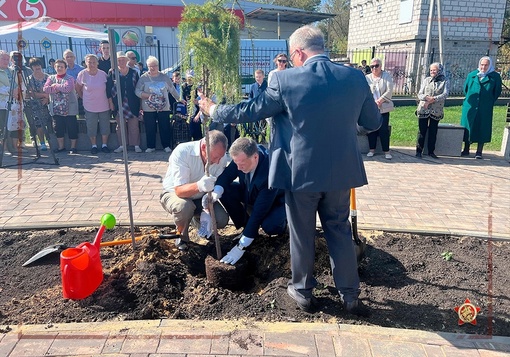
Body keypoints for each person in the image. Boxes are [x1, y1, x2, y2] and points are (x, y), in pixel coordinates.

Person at [199, 25, 381, 316]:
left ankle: (304, 293)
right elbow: (373, 123)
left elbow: (250, 110)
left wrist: (214, 110)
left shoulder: (285, 81)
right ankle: (350, 296)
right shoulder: (355, 78)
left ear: (298, 53)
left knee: (302, 233)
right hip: (340, 175)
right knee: (339, 230)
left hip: (301, 175)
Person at [208, 137, 286, 265]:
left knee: (270, 226)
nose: (238, 168)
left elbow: (258, 213)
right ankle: (245, 225)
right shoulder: (241, 157)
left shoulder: (270, 172)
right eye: (236, 163)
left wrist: (241, 247)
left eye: (242, 164)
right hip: (251, 193)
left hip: (276, 201)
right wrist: (217, 192)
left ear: (255, 157)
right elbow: (227, 175)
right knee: (226, 189)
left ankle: (285, 224)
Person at [160, 130, 230, 250]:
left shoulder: (220, 157)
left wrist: (209, 203)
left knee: (221, 219)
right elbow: (179, 190)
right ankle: (182, 236)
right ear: (204, 147)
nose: (218, 161)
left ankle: (199, 224)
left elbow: (216, 182)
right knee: (184, 207)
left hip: (200, 197)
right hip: (175, 195)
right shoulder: (183, 152)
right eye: (215, 157)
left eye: (221, 157)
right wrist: (199, 186)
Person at [135, 56, 181, 153]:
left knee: (164, 126)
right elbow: (137, 91)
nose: (152, 68)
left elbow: (172, 89)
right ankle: (150, 146)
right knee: (150, 127)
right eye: (150, 66)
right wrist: (147, 95)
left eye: (154, 66)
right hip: (148, 107)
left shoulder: (164, 77)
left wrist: (179, 99)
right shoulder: (143, 78)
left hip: (163, 107)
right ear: (147, 66)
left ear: (158, 66)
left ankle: (166, 146)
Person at [460, 56, 502, 159]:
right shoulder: (472, 75)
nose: (483, 67)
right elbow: (466, 89)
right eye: (482, 64)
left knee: (482, 127)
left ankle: (479, 151)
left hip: (484, 107)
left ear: (490, 65)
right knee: (468, 126)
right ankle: (466, 148)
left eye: (486, 65)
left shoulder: (495, 77)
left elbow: (497, 92)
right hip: (470, 105)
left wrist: (487, 101)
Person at [76, 54, 113, 154]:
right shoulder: (82, 74)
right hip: (89, 105)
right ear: (86, 63)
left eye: (93, 62)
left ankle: (104, 145)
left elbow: (109, 88)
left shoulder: (103, 74)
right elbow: (78, 88)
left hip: (103, 104)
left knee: (105, 126)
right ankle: (94, 145)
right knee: (91, 126)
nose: (92, 64)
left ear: (97, 63)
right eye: (89, 62)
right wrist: (83, 97)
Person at [108, 51, 142, 153]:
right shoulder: (112, 72)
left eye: (123, 59)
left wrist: (140, 104)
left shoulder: (134, 72)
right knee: (120, 126)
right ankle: (122, 145)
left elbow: (138, 88)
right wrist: (111, 103)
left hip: (132, 102)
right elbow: (108, 89)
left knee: (134, 125)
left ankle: (136, 145)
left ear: (127, 60)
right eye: (119, 60)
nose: (121, 61)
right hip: (118, 103)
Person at [43, 59, 79, 154]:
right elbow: (46, 89)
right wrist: (59, 88)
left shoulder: (70, 78)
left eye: (61, 67)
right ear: (54, 67)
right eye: (57, 66)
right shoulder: (51, 78)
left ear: (65, 68)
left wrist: (55, 86)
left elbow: (68, 88)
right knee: (58, 128)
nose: (59, 68)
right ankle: (61, 147)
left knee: (72, 128)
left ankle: (73, 147)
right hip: (56, 109)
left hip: (69, 109)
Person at [415, 62, 449, 159]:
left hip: (436, 110)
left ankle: (431, 151)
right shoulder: (426, 80)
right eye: (431, 70)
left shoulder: (445, 81)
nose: (432, 72)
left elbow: (445, 94)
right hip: (424, 108)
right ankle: (418, 151)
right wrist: (427, 98)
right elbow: (420, 94)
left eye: (434, 70)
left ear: (439, 70)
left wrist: (433, 99)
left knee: (433, 131)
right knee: (422, 131)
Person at [365, 57, 394, 159]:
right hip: (371, 108)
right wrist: (372, 102)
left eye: (376, 66)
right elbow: (365, 91)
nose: (374, 68)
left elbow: (389, 90)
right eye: (372, 66)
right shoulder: (367, 77)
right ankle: (371, 150)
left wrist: (380, 100)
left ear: (381, 66)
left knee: (383, 129)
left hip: (383, 107)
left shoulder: (386, 76)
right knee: (371, 129)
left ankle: (386, 151)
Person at [26, 57, 52, 151]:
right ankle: (42, 142)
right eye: (34, 65)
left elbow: (53, 89)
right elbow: (30, 93)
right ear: (31, 67)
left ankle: (52, 141)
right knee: (39, 124)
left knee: (51, 123)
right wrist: (44, 95)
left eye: (38, 64)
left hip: (49, 103)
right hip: (36, 105)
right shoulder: (29, 79)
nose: (37, 67)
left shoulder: (48, 77)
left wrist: (47, 98)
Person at [181, 69, 202, 140]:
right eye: (189, 77)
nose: (190, 79)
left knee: (196, 125)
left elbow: (200, 97)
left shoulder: (197, 86)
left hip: (196, 107)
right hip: (187, 107)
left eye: (191, 78)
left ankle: (197, 138)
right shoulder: (183, 86)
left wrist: (196, 101)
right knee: (189, 127)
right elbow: (182, 97)